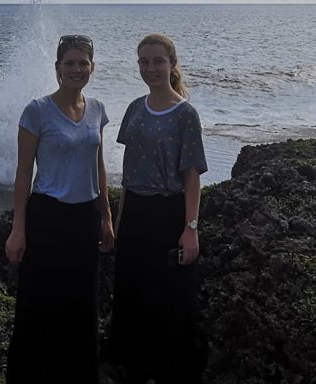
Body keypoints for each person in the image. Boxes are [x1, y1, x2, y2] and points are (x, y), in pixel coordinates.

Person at [5, 33, 115, 384]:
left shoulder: (97, 110)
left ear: (92, 67)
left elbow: (98, 166)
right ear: (57, 68)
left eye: (84, 63)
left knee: (82, 306)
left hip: (84, 220)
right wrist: (18, 229)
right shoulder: (37, 111)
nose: (77, 69)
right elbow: (23, 174)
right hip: (47, 218)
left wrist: (106, 217)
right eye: (70, 63)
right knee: (38, 305)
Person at [110, 33, 208, 384]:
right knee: (132, 290)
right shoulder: (135, 107)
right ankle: (135, 368)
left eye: (158, 61)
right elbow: (129, 169)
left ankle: (170, 370)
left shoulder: (186, 114)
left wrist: (191, 227)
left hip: (169, 213)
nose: (151, 68)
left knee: (169, 295)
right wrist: (119, 220)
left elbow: (192, 175)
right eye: (144, 62)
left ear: (172, 64)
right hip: (135, 210)